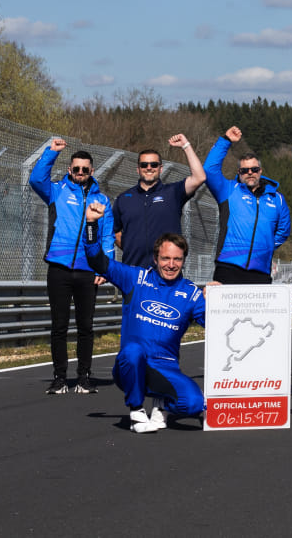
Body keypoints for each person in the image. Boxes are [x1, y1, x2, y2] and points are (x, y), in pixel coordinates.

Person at [82, 202, 206, 434]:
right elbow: (95, 259)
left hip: (165, 367)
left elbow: (215, 323)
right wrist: (91, 223)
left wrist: (218, 299)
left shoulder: (192, 294)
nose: (171, 265)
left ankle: (160, 405)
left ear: (184, 260)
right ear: (155, 258)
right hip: (130, 365)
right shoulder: (135, 278)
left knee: (194, 404)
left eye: (177, 259)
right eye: (166, 258)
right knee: (132, 350)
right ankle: (137, 411)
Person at [29, 138, 114, 395]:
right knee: (59, 325)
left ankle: (84, 377)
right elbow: (35, 179)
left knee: (86, 326)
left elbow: (108, 236)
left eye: (84, 170)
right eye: (75, 169)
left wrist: (104, 269)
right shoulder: (56, 191)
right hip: (59, 268)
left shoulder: (102, 200)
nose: (80, 173)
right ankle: (59, 378)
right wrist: (50, 153)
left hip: (88, 270)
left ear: (92, 171)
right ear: (69, 170)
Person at [203, 126, 291, 284]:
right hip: (228, 266)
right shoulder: (228, 190)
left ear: (260, 171)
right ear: (239, 173)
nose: (250, 172)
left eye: (254, 169)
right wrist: (226, 140)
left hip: (261, 270)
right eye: (244, 170)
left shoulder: (277, 199)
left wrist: (266, 247)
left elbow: (283, 231)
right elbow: (209, 170)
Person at [113, 134, 207, 268]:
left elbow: (199, 177)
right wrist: (130, 247)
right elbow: (114, 231)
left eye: (154, 164)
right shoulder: (123, 198)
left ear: (161, 168)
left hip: (167, 271)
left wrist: (186, 146)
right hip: (133, 271)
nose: (149, 167)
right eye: (144, 164)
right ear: (138, 169)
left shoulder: (173, 192)